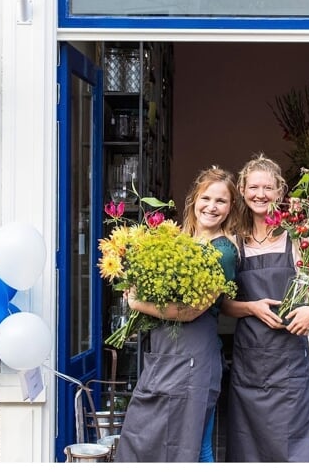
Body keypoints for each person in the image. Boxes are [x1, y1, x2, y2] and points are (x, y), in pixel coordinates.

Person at [221, 154, 309, 462]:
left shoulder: (300, 236)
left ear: (280, 191)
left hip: (290, 363)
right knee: (247, 449)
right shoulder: (232, 240)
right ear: (241, 189)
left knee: (295, 447)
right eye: (253, 187)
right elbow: (221, 305)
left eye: (268, 188)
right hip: (249, 363)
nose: (260, 194)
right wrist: (251, 308)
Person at [114, 166, 240, 462]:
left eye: (221, 201)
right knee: (145, 439)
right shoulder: (175, 241)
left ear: (231, 207)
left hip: (195, 358)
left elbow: (190, 311)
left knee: (194, 447)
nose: (211, 206)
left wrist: (137, 303)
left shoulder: (223, 251)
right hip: (166, 353)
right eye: (206, 198)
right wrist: (138, 285)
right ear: (194, 199)